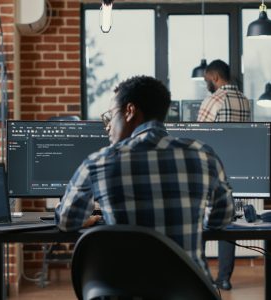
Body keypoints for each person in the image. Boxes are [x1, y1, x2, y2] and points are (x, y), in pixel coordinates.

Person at [55, 75, 234, 277]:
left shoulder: (98, 162)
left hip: (124, 289)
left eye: (111, 116)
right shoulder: (204, 155)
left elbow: (66, 221)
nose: (107, 126)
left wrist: (89, 218)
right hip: (189, 290)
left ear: (130, 111)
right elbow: (222, 218)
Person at [197, 59, 251, 290]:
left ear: (215, 77)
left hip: (213, 170)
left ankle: (201, 276)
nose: (207, 84)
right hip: (238, 167)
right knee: (229, 221)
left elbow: (199, 136)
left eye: (207, 80)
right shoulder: (245, 101)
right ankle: (225, 278)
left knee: (203, 221)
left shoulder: (213, 100)